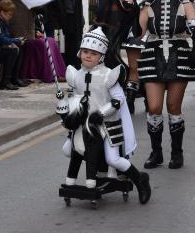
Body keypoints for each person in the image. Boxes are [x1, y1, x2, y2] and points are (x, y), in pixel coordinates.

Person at [56, 26, 151, 204]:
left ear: (101, 56)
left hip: (107, 126)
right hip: (82, 126)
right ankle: (99, 175)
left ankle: (140, 180)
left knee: (112, 159)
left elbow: (118, 100)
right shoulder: (75, 75)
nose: (88, 56)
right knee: (68, 150)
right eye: (85, 51)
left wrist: (102, 113)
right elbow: (74, 98)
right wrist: (68, 112)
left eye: (93, 53)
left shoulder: (109, 75)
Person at [137, 0, 195, 170]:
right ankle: (156, 153)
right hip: (152, 56)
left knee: (173, 106)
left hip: (179, 55)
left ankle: (177, 153)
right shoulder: (147, 3)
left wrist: (194, 54)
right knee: (154, 107)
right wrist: (129, 12)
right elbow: (138, 34)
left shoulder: (186, 3)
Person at [0, 0, 34, 86]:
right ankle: (16, 77)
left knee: (17, 49)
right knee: (20, 50)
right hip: (22, 20)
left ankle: (15, 77)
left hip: (9, 20)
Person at [0, 0, 26, 90]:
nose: (11, 17)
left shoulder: (2, 21)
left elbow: (4, 38)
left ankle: (14, 79)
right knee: (13, 50)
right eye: (9, 14)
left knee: (19, 48)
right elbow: (0, 38)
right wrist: (16, 41)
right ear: (2, 12)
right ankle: (5, 82)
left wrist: (16, 41)